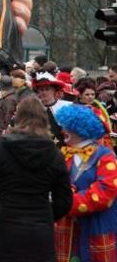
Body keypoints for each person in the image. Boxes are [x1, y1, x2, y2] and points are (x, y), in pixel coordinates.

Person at [0, 97, 72, 262]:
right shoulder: (54, 153)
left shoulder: (0, 148)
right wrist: (48, 216)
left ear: (17, 117)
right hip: (40, 228)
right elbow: (64, 200)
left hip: (6, 224)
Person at [54, 104, 117, 262]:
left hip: (97, 225)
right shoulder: (63, 155)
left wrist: (66, 202)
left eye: (67, 127)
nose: (62, 131)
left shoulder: (106, 156)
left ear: (80, 128)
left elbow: (105, 192)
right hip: (67, 228)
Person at [32, 72, 71, 145]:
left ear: (53, 90)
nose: (44, 92)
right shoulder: (34, 108)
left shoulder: (66, 106)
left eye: (47, 89)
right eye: (41, 90)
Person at [0, 75, 18, 140]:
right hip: (1, 131)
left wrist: (2, 131)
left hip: (2, 133)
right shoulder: (9, 97)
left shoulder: (8, 99)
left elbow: (7, 117)